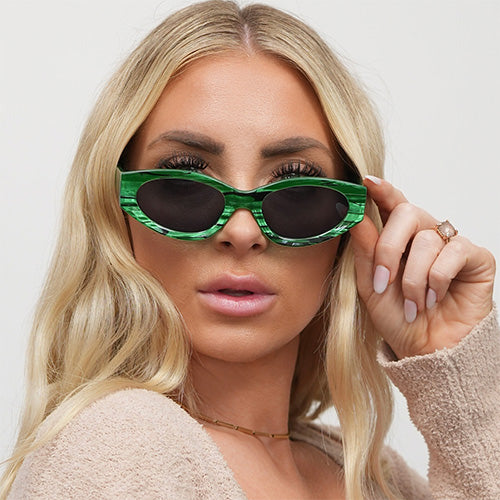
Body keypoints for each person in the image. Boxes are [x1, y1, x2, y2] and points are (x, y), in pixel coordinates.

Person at [1, 1, 498, 499]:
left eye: (296, 188)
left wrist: (459, 382)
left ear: (353, 228)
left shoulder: (374, 476)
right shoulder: (120, 444)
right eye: (185, 181)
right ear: (117, 211)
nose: (242, 231)